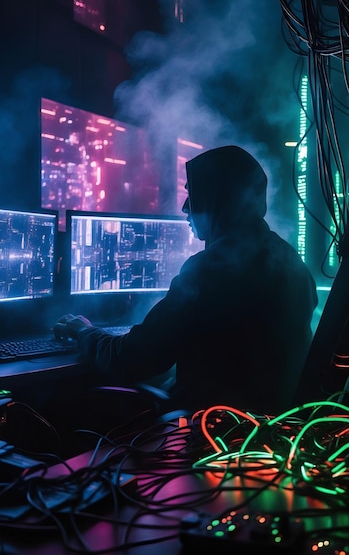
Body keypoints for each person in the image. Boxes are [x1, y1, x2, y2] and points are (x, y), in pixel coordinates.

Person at [53, 145, 318, 415]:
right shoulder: (292, 262)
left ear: (218, 199)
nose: (184, 207)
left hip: (209, 438)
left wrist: (84, 331)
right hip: (273, 434)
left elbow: (130, 360)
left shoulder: (210, 271)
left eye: (193, 195)